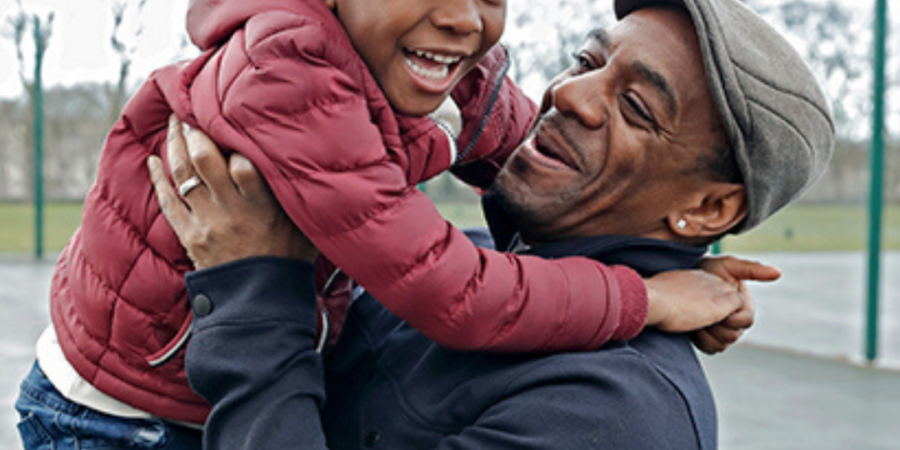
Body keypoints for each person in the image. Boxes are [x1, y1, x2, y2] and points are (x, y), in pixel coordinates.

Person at [16, 0, 756, 447]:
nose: (571, 97)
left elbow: (497, 124)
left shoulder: (613, 416)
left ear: (711, 211)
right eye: (583, 60)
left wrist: (253, 286)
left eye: (635, 108)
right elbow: (460, 285)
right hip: (118, 415)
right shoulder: (296, 75)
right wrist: (651, 292)